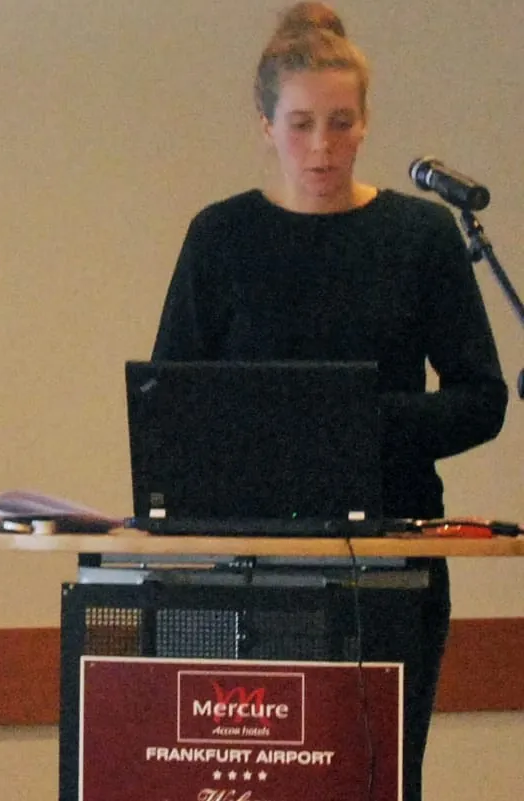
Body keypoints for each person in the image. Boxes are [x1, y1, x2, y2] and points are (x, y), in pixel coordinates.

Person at [151, 3, 508, 800]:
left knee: (375, 779)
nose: (323, 146)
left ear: (366, 123)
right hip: (248, 569)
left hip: (389, 567)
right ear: (265, 126)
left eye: (341, 123)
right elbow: (172, 407)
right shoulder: (220, 237)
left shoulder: (420, 237)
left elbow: (481, 398)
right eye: (302, 123)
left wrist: (357, 422)